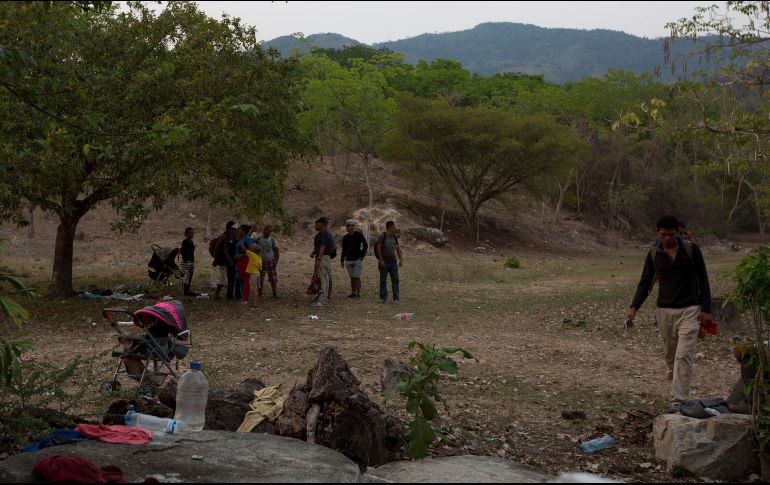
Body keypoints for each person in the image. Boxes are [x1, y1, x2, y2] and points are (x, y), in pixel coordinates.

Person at [626, 215, 714, 413]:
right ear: (657, 232)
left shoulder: (692, 250)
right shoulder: (653, 254)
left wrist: (706, 309)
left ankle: (678, 400)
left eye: (671, 235)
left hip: (690, 309)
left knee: (684, 355)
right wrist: (634, 307)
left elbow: (703, 278)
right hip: (664, 311)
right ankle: (674, 373)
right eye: (663, 234)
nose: (667, 239)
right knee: (670, 355)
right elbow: (645, 282)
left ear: (679, 233)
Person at [375, 220, 403, 304]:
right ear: (390, 226)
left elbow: (397, 248)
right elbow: (378, 248)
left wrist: (400, 259)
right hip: (384, 262)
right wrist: (381, 260)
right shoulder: (382, 236)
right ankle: (383, 298)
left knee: (395, 280)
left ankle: (396, 298)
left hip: (393, 262)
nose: (395, 228)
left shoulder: (394, 236)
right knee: (383, 280)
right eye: (394, 226)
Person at [310, 216, 335, 307]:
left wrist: (319, 258)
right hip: (322, 256)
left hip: (323, 257)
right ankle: (321, 297)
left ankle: (322, 300)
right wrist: (313, 253)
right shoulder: (321, 233)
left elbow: (323, 246)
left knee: (323, 278)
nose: (315, 226)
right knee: (321, 277)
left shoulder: (324, 233)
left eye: (316, 224)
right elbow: (318, 246)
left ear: (320, 223)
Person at [341, 219, 368, 298]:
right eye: (346, 226)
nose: (347, 227)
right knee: (352, 277)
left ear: (353, 226)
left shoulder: (359, 235)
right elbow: (343, 249)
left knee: (356, 277)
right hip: (348, 260)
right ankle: (353, 292)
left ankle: (358, 293)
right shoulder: (345, 237)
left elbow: (365, 245)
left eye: (348, 226)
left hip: (357, 259)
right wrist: (342, 260)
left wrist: (362, 255)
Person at [253, 225, 280, 298]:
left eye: (270, 231)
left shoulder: (272, 240)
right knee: (260, 279)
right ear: (264, 230)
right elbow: (250, 242)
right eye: (268, 230)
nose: (269, 232)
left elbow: (277, 250)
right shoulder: (258, 239)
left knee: (273, 278)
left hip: (270, 261)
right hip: (260, 262)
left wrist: (276, 260)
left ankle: (274, 293)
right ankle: (259, 294)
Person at [211, 221, 235, 300]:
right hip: (222, 260)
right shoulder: (224, 237)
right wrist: (216, 259)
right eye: (232, 229)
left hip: (224, 260)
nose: (233, 230)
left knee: (224, 278)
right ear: (228, 228)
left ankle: (222, 294)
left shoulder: (228, 236)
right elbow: (217, 248)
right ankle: (216, 294)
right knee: (222, 278)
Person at [235, 225, 254, 304]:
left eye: (239, 230)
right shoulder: (241, 239)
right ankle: (243, 297)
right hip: (239, 261)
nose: (238, 231)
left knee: (245, 279)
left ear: (243, 231)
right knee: (240, 279)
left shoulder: (248, 239)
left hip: (245, 261)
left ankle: (245, 299)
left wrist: (242, 255)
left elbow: (251, 250)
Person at [180, 227, 198, 297]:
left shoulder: (191, 241)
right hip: (187, 262)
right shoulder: (185, 242)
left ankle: (187, 290)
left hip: (191, 261)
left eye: (192, 233)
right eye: (189, 233)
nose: (191, 234)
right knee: (186, 277)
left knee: (189, 277)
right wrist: (187, 262)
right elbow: (183, 252)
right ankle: (185, 291)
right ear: (186, 234)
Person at [245, 243, 262, 308]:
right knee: (256, 289)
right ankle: (256, 303)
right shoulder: (259, 258)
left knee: (253, 289)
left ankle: (255, 304)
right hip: (257, 274)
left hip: (253, 274)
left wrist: (241, 242)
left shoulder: (251, 254)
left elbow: (245, 250)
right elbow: (260, 268)